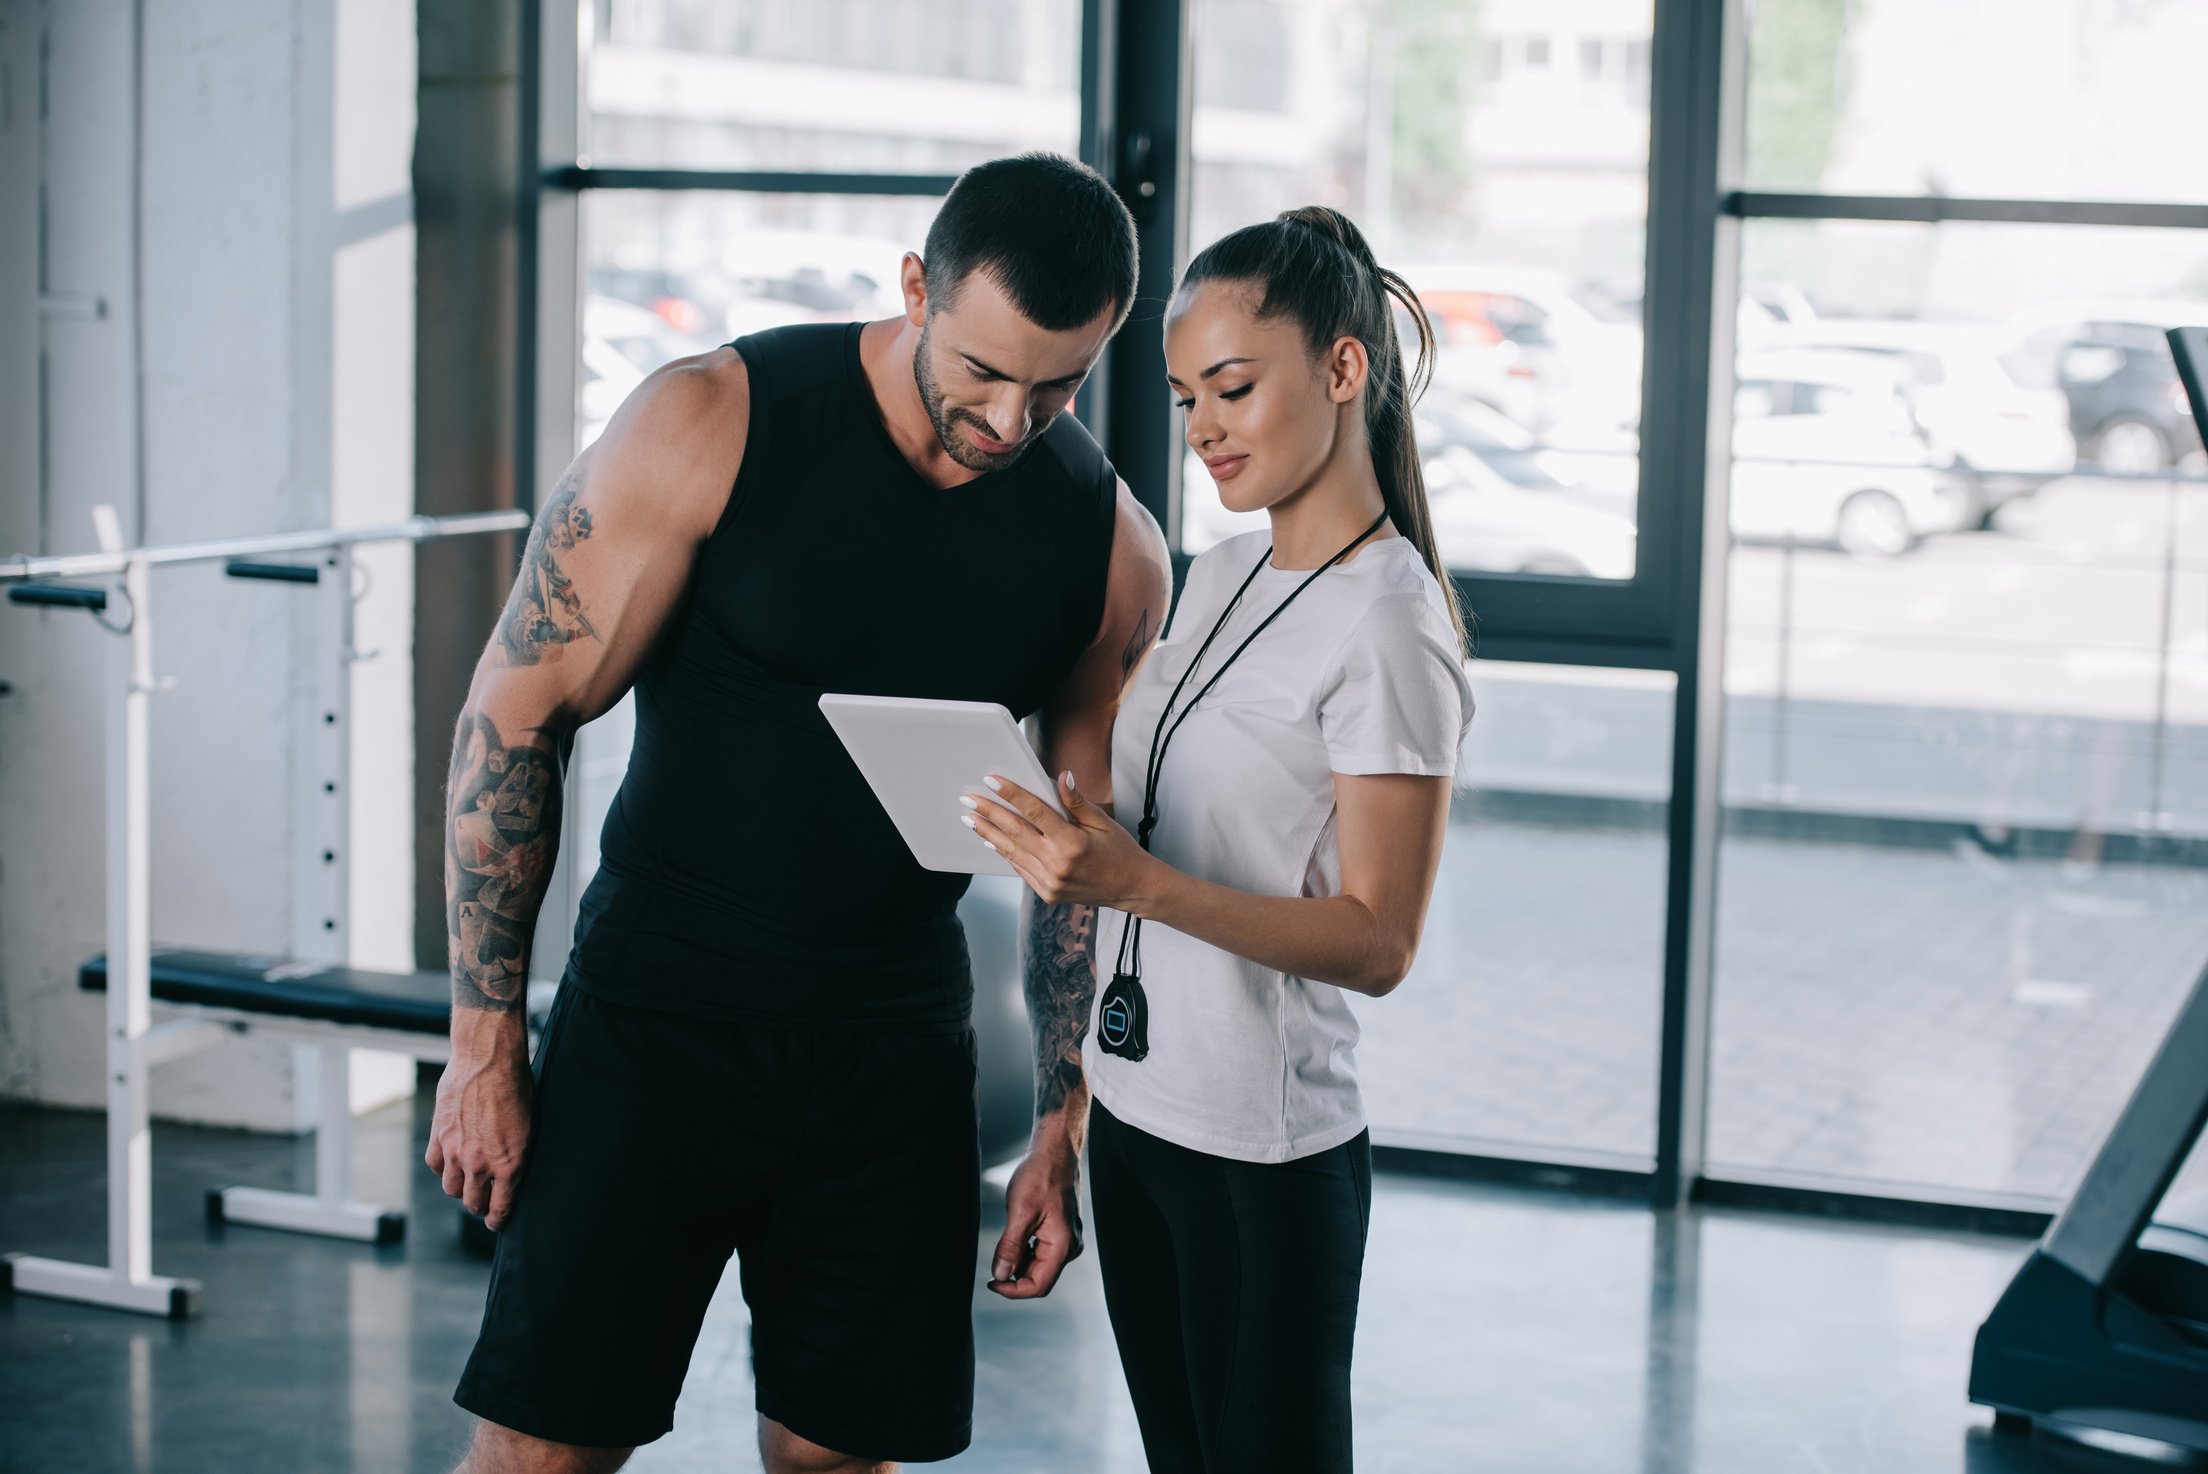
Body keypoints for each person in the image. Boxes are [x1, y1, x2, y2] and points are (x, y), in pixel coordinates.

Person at [428, 152, 1172, 1474]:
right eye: (983, 371)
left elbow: (1081, 865)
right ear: (913, 289)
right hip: (655, 1023)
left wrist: (1064, 1124)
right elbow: (515, 715)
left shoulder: (1106, 549)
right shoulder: (712, 417)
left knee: (841, 1461)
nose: (1010, 416)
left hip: (889, 1055)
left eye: (1057, 382)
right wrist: (484, 1042)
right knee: (539, 1456)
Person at [960, 205, 1475, 1473]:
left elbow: (1377, 940)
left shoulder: (1390, 626)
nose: (1203, 432)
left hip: (1265, 1151)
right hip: (1137, 1116)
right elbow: (1148, 834)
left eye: (1233, 390)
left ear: (1343, 370)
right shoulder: (1224, 572)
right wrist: (1067, 1121)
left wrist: (1139, 877)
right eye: (1188, 399)